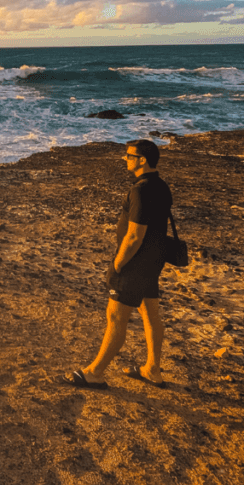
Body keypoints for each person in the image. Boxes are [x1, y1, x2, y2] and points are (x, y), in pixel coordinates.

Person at [65, 138, 173, 390]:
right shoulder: (161, 186)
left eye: (129, 155)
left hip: (136, 264)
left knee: (116, 317)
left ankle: (94, 372)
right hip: (153, 261)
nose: (125, 158)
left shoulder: (140, 190)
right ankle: (152, 369)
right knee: (150, 314)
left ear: (142, 160)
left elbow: (135, 235)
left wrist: (117, 264)